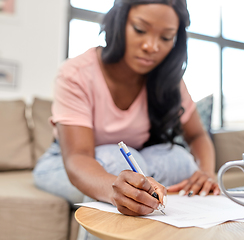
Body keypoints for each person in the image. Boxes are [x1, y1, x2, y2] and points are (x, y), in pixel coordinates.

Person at [33, 0, 220, 220]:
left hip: (137, 157)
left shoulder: (170, 82)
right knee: (117, 164)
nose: (151, 46)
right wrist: (115, 188)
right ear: (118, 22)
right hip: (67, 162)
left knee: (178, 159)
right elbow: (78, 156)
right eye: (140, 30)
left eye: (166, 37)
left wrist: (206, 173)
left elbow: (197, 135)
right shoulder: (76, 73)